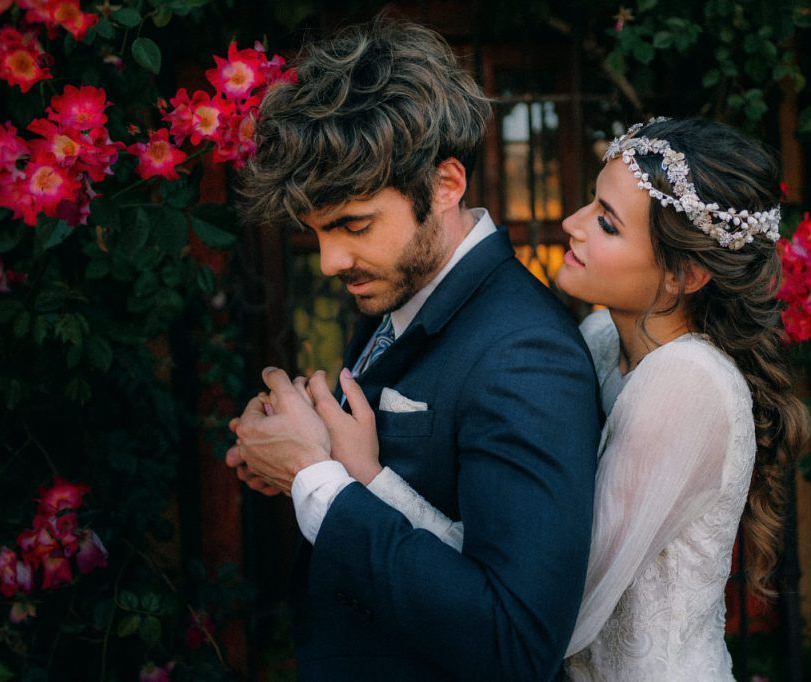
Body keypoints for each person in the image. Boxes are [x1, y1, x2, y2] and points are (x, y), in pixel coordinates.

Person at [304, 117, 811, 680]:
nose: (573, 224)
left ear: (683, 275)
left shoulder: (686, 382)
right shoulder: (600, 339)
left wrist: (365, 479)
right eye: (591, 202)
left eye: (607, 224)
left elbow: (552, 608)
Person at [225, 19, 602, 681]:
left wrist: (316, 479)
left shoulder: (524, 353)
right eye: (317, 231)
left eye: (354, 225)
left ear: (446, 184)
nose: (330, 260)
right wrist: (304, 450)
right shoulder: (403, 288)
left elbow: (514, 644)